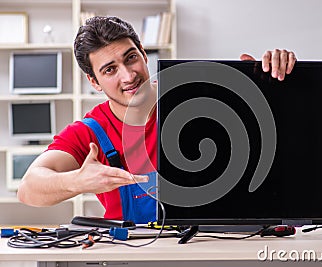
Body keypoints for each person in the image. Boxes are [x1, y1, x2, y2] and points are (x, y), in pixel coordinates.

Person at [17, 16, 297, 223]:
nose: (128, 76)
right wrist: (77, 181)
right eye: (110, 69)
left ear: (142, 51)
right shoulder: (90, 132)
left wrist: (270, 82)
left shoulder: (199, 100)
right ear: (94, 81)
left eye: (130, 58)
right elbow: (29, 188)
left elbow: (274, 141)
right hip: (133, 256)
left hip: (211, 248)